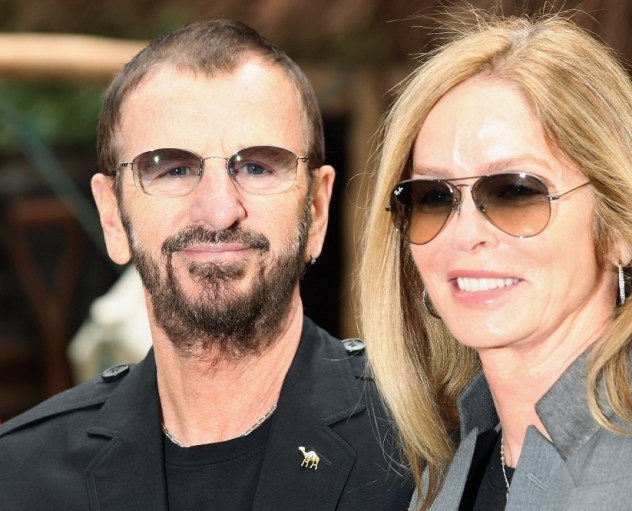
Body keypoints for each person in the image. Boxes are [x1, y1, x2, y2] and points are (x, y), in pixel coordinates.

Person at [357, 9, 632, 511]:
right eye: (433, 198)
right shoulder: (439, 486)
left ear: (621, 229)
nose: (463, 235)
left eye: (514, 191)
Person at [0, 19, 413, 510]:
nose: (219, 210)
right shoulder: (19, 476)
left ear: (318, 209)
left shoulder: (425, 450)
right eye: (173, 168)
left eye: (257, 167)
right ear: (112, 216)